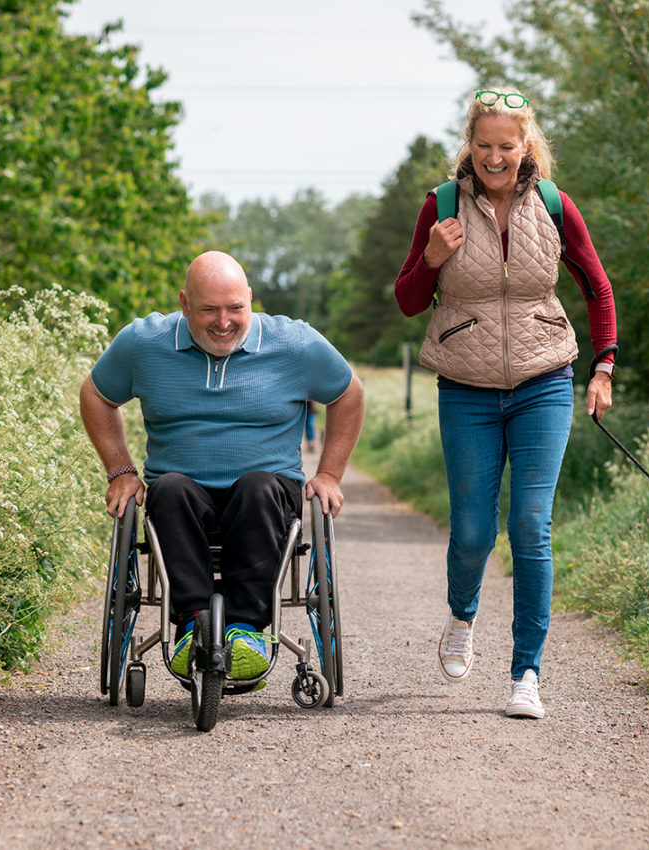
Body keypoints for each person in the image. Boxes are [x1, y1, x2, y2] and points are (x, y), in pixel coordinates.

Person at [394, 89, 617, 719]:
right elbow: (408, 300)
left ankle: (527, 674)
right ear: (470, 145)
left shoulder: (553, 205)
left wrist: (603, 366)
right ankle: (462, 614)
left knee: (529, 525)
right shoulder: (439, 206)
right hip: (465, 387)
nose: (495, 158)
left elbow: (596, 287)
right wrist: (433, 258)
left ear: (527, 148)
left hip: (545, 380)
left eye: (507, 146)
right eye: (485, 146)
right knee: (471, 531)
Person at [80, 250, 364, 684]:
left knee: (257, 488)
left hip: (267, 493)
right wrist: (120, 471)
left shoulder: (292, 343)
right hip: (182, 494)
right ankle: (192, 625)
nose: (224, 321)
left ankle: (246, 631)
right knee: (170, 489)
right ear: (184, 303)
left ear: (251, 298)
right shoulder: (144, 343)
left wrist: (329, 474)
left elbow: (348, 393)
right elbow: (97, 394)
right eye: (209, 310)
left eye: (235, 308)